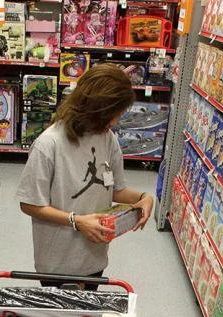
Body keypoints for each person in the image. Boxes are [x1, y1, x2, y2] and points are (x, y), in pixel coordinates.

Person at [15, 64, 156, 288]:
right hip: (57, 263)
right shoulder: (49, 144)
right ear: (94, 108)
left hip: (94, 256)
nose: (114, 122)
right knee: (59, 312)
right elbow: (30, 203)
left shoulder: (107, 138)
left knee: (88, 309)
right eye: (112, 115)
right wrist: (77, 221)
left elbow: (115, 189)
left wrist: (143, 197)